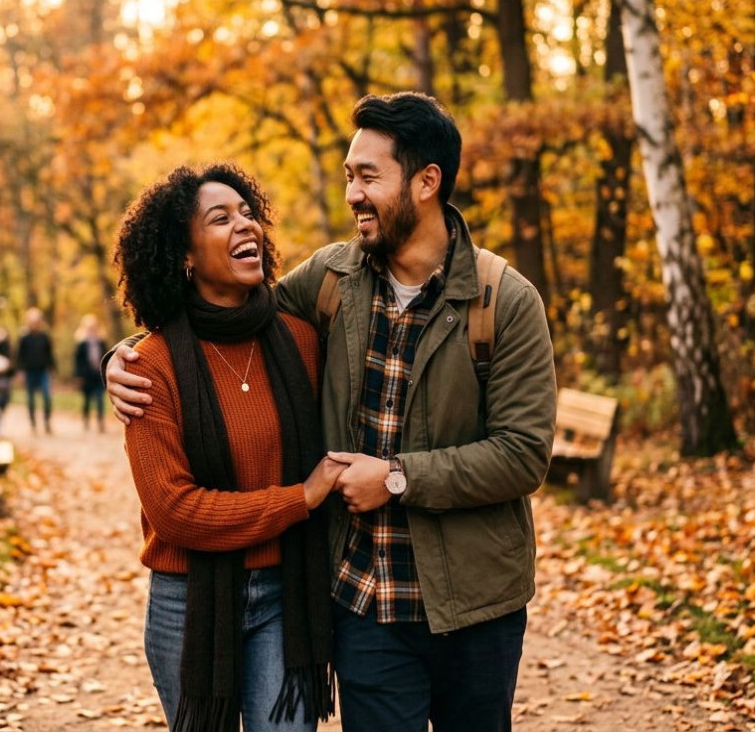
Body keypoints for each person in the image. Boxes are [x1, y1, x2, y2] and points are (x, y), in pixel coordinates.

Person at [107, 93, 557, 732]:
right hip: (364, 601)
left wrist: (396, 478)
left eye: (368, 176)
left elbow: (522, 454)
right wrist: (121, 357)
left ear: (427, 182)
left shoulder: (504, 300)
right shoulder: (331, 280)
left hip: (475, 604)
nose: (353, 194)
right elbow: (217, 317)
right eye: (349, 175)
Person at [114, 163, 343, 732]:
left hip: (286, 594)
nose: (247, 226)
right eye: (221, 218)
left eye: (249, 213)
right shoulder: (151, 367)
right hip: (189, 603)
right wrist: (300, 499)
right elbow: (176, 513)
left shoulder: (301, 339)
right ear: (185, 256)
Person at [16, 307, 56, 434]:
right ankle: (33, 423)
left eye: (37, 321)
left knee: (46, 396)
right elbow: (19, 356)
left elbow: (50, 354)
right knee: (31, 399)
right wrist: (20, 372)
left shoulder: (44, 336)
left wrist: (52, 370)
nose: (35, 323)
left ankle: (47, 421)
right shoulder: (24, 337)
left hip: (43, 370)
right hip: (29, 372)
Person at [72, 314, 108, 433]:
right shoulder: (81, 344)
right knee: (87, 400)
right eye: (89, 328)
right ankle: (86, 420)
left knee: (99, 399)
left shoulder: (101, 342)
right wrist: (78, 376)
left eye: (94, 327)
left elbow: (107, 357)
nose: (92, 330)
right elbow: (77, 361)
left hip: (98, 376)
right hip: (86, 376)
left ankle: (100, 422)